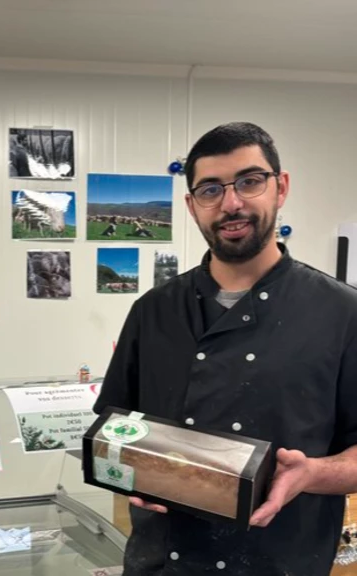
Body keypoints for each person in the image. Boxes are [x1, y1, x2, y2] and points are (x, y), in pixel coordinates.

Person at [93, 121, 357, 575]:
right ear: (192, 206)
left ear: (282, 187)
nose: (232, 203)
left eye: (250, 181)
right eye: (211, 190)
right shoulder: (152, 311)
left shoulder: (343, 312)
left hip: (281, 562)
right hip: (163, 563)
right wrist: (124, 467)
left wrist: (312, 474)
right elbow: (114, 425)